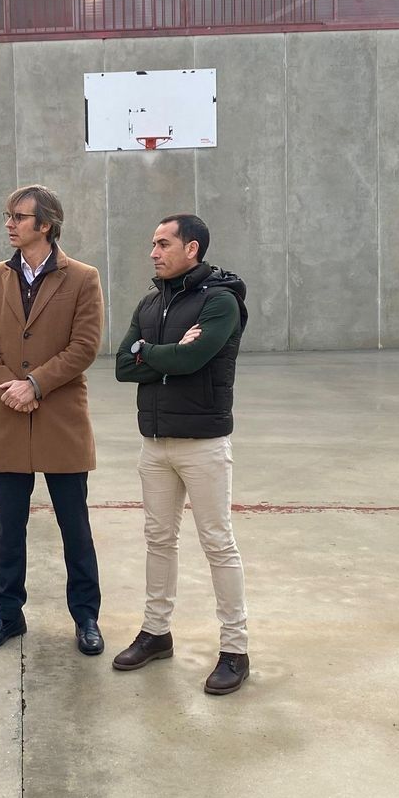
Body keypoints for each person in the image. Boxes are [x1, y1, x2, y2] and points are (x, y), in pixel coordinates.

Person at [113, 213, 252, 696]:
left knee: (217, 542)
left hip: (204, 443)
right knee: (158, 539)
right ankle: (156, 633)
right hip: (154, 443)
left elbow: (195, 360)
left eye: (163, 243)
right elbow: (120, 368)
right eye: (152, 243)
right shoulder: (151, 301)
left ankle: (235, 650)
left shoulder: (221, 301)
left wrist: (147, 352)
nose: (153, 252)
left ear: (191, 249)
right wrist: (163, 352)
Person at [0, 184, 105, 655]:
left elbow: (84, 346)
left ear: (45, 225)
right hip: (8, 415)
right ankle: (8, 614)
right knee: (10, 527)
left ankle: (86, 617)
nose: (9, 223)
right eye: (7, 216)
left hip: (60, 419)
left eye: (18, 217)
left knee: (75, 526)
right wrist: (10, 385)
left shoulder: (83, 278)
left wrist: (36, 384)